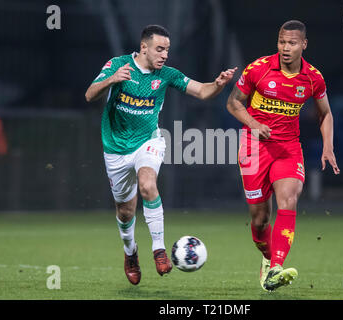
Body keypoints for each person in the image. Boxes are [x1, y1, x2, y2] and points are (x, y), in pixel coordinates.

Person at [85, 25, 236, 286]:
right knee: (125, 211)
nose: (164, 54)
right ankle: (130, 253)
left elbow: (202, 91)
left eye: (167, 49)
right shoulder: (118, 65)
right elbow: (89, 95)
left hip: (149, 141)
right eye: (159, 49)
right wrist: (111, 80)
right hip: (115, 148)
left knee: (147, 184)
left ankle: (159, 250)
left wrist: (218, 84)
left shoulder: (167, 74)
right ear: (144, 47)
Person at [226, 20, 340, 291]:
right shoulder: (259, 69)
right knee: (259, 219)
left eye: (291, 43)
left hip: (288, 148)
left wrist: (328, 146)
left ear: (304, 44)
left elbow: (325, 113)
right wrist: (254, 125)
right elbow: (233, 103)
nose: (285, 48)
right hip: (254, 147)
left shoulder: (313, 78)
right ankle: (267, 259)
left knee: (289, 198)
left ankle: (276, 267)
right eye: (281, 42)